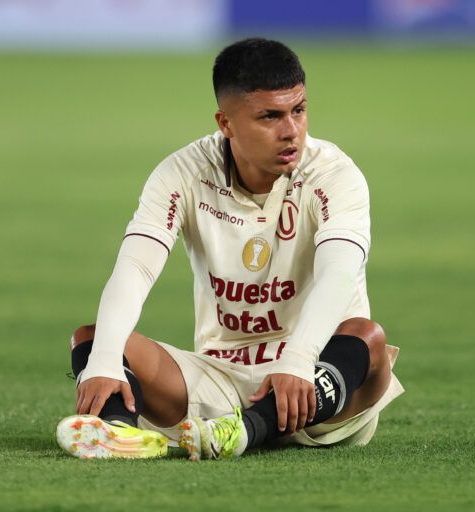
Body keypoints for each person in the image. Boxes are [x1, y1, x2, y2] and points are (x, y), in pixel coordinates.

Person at [55, 38, 404, 461]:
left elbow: (339, 273)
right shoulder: (183, 173)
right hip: (219, 377)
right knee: (94, 340)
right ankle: (118, 433)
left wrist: (297, 359)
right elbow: (136, 267)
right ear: (226, 123)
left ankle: (247, 430)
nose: (291, 130)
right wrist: (106, 360)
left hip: (318, 381)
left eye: (298, 110)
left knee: (369, 337)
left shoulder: (334, 174)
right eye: (269, 116)